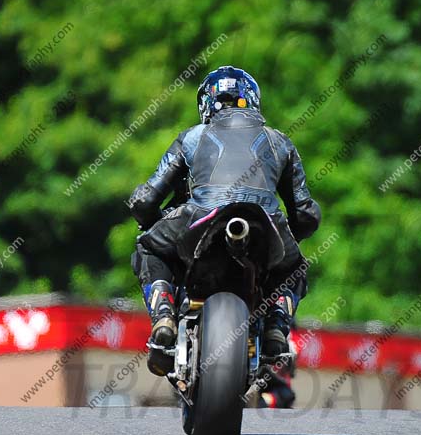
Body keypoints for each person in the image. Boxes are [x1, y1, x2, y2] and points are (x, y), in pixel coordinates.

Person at [128, 65, 321, 375]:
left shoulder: (191, 137)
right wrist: (294, 235)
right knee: (294, 266)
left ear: (206, 103)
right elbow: (305, 214)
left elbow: (145, 200)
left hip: (200, 216)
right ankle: (276, 326)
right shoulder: (281, 141)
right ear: (254, 101)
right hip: (266, 222)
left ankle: (163, 314)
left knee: (148, 247)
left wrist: (150, 221)